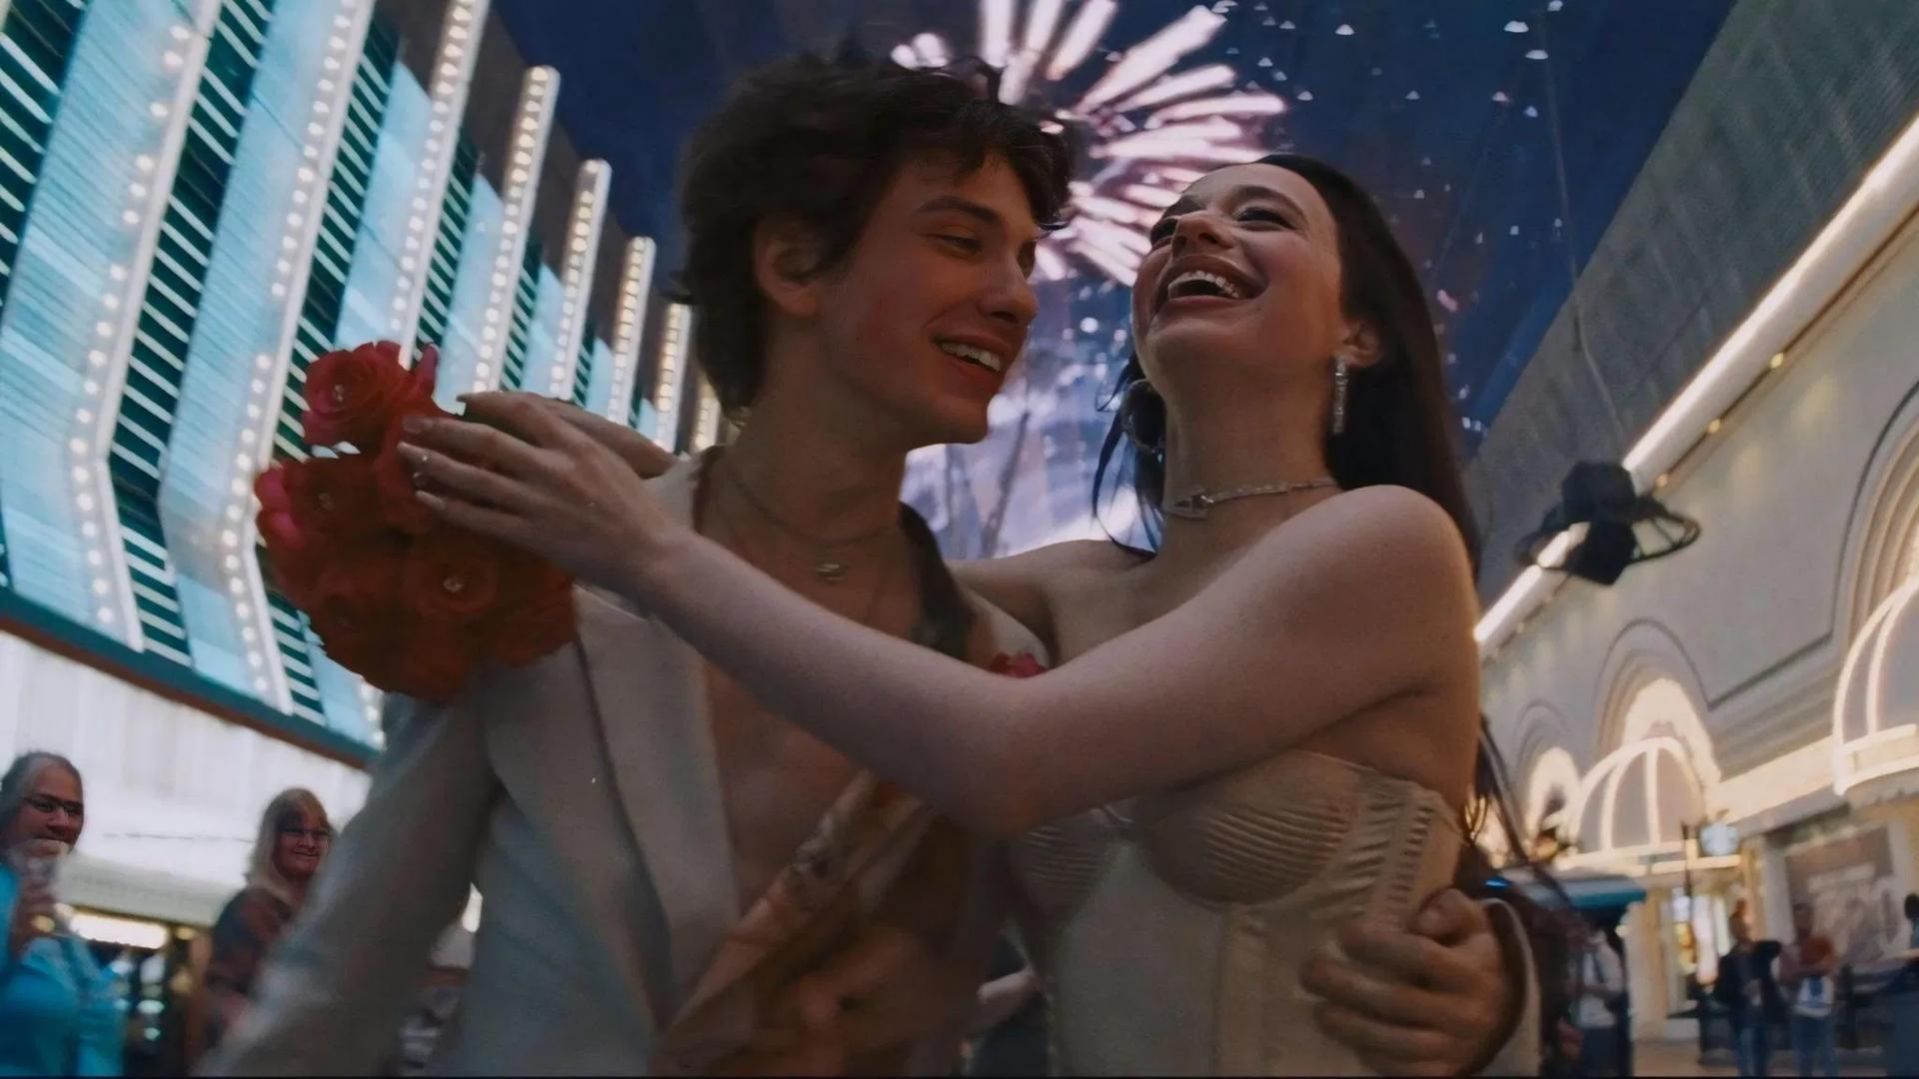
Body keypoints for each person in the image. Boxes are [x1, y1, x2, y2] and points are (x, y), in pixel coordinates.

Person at [402, 147, 1552, 1074]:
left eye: (1260, 217)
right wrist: (539, 457)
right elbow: (798, 570)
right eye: (1170, 226)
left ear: (1358, 331)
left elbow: (1008, 758)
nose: (1193, 231)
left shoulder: (1385, 542)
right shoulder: (1064, 588)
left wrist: (640, 543)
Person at [0, 751, 121, 1075]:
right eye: (45, 805)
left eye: (73, 811)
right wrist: (9, 944)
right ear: (7, 811)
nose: (62, 822)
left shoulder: (57, 919)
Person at [202, 789, 332, 1049]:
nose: (309, 843)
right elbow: (223, 997)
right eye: (295, 831)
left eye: (318, 834)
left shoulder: (326, 916)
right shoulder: (248, 909)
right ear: (272, 839)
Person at [1716, 906, 1784, 1078]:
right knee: (1747, 1064)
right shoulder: (1728, 960)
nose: (1738, 930)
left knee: (1764, 1062)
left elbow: (1777, 947)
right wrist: (1740, 991)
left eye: (1740, 926)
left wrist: (1754, 945)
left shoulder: (1760, 951)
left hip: (1764, 1013)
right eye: (1734, 927)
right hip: (1743, 1018)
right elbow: (1720, 993)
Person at [1778, 903, 1838, 1078]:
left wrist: (1800, 970)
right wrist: (1814, 969)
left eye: (1807, 917)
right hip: (1799, 1010)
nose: (1804, 921)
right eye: (1799, 917)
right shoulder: (1787, 949)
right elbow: (1785, 977)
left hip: (1823, 1009)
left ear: (1812, 919)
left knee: (1828, 1056)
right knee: (1804, 1059)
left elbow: (1829, 967)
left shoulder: (1823, 943)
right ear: (1794, 920)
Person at [1571, 927, 1626, 1076]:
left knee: (1598, 1071)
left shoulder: (1603, 953)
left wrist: (1586, 988)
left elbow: (1615, 988)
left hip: (1599, 1024)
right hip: (1576, 1024)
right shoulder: (1573, 953)